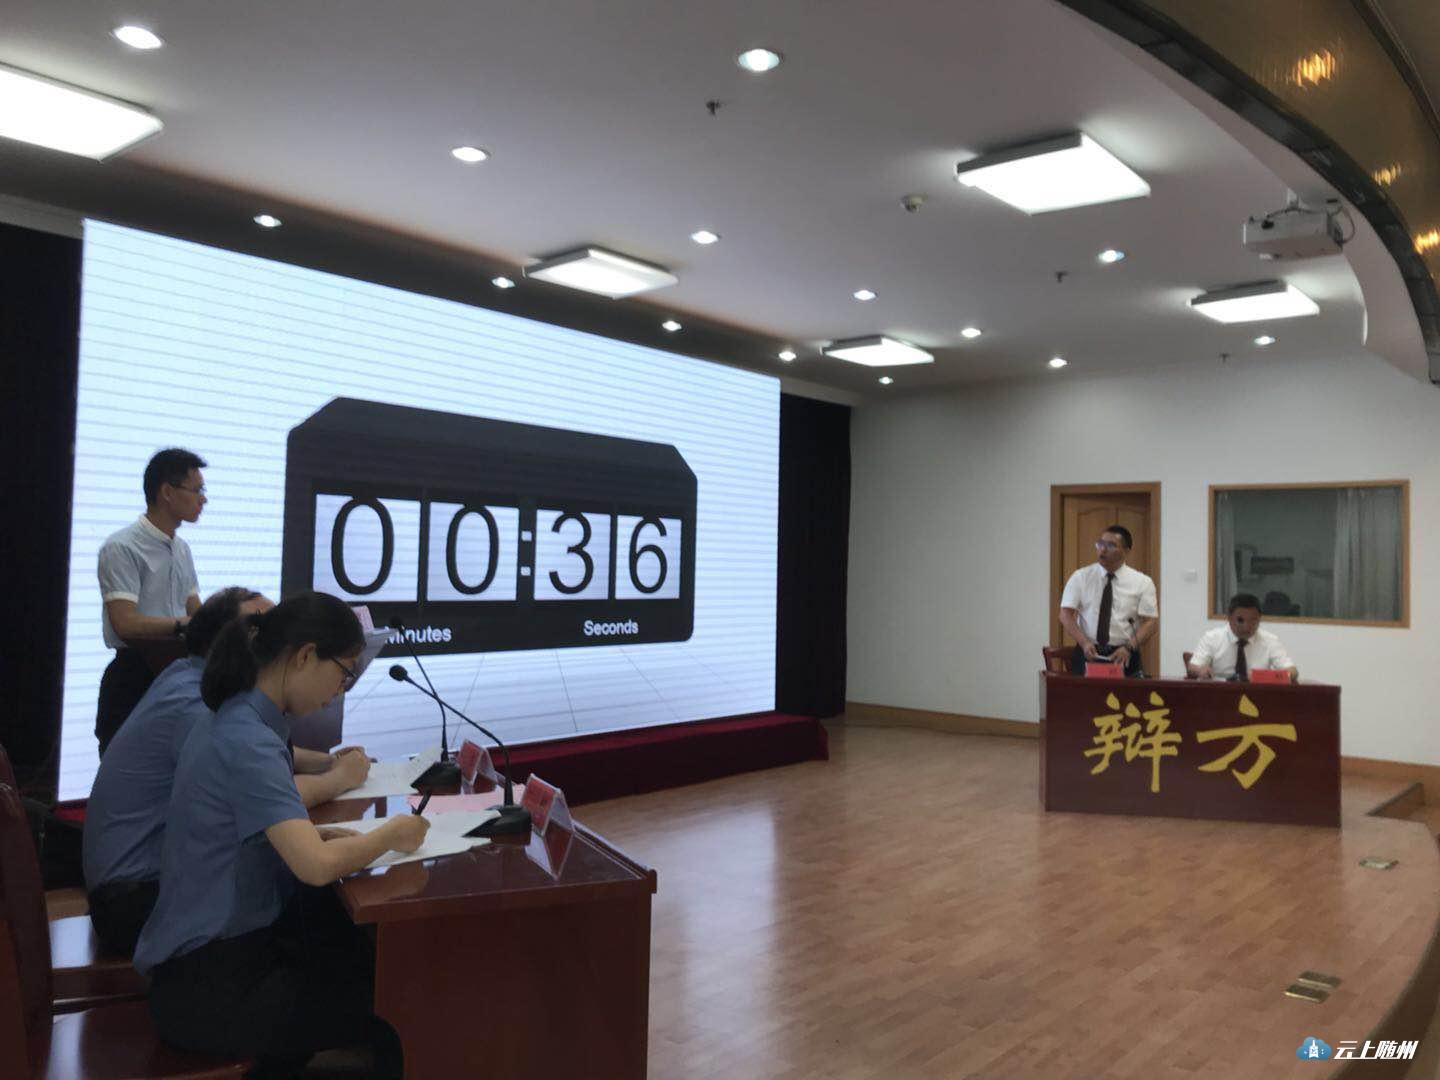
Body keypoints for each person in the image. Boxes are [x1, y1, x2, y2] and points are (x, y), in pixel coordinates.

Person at [133, 592, 427, 1077]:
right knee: (396, 1000)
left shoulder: (238, 717)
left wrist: (324, 837)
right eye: (343, 673)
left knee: (351, 960)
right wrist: (392, 833)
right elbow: (315, 867)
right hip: (212, 983)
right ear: (306, 656)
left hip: (209, 965)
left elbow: (255, 835)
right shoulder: (247, 738)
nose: (341, 691)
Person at [83, 587, 374, 957]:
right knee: (323, 915)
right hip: (137, 896)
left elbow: (260, 774)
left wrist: (327, 762)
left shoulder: (188, 678)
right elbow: (258, 786)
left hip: (151, 878)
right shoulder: (198, 704)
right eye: (262, 628)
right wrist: (339, 779)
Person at [95, 448, 208, 755]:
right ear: (167, 493)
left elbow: (195, 610)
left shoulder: (182, 549)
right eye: (197, 490)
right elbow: (125, 624)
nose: (203, 500)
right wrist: (185, 626)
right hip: (135, 675)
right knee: (128, 764)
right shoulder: (122, 547)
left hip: (178, 675)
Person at [1058, 524, 1158, 676]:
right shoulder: (1081, 577)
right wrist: (1084, 642)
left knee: (1128, 692)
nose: (1103, 550)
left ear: (1126, 551)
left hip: (1124, 653)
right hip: (1088, 650)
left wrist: (1129, 647)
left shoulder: (1142, 582)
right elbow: (1065, 614)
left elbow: (1151, 622)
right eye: (1100, 544)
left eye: (1111, 545)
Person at [1187, 593, 1298, 682]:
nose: (1246, 627)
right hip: (1220, 694)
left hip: (1257, 695)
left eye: (1253, 621)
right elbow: (1193, 667)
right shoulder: (1212, 638)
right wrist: (1200, 670)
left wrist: (1264, 676)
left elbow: (1293, 672)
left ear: (1260, 619)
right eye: (1240, 620)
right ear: (1229, 617)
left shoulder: (1270, 640)